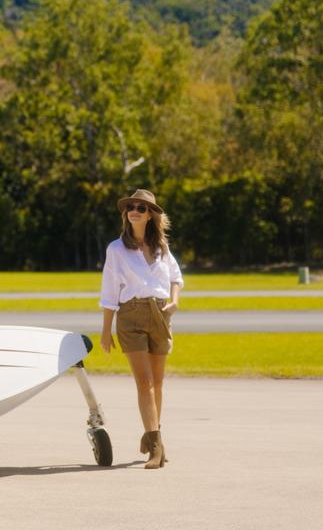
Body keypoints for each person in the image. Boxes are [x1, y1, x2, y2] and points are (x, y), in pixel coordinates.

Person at [98, 188, 182, 470]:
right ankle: (156, 448)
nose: (134, 210)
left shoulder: (162, 248)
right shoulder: (116, 249)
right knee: (144, 383)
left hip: (160, 315)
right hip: (130, 316)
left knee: (158, 383)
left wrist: (174, 302)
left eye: (141, 207)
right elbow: (109, 292)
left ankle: (153, 434)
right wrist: (106, 330)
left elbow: (175, 277)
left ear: (151, 215)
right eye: (131, 206)